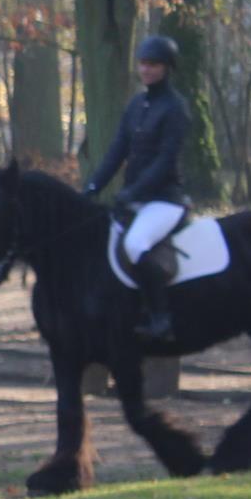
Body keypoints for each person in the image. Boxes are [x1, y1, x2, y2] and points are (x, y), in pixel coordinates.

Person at [82, 32, 195, 344]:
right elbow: (117, 151)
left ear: (167, 67)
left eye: (153, 64)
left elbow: (164, 161)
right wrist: (92, 187)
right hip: (135, 198)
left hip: (164, 200)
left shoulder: (176, 108)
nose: (146, 70)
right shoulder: (136, 105)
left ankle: (161, 318)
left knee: (135, 244)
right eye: (143, 63)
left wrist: (134, 192)